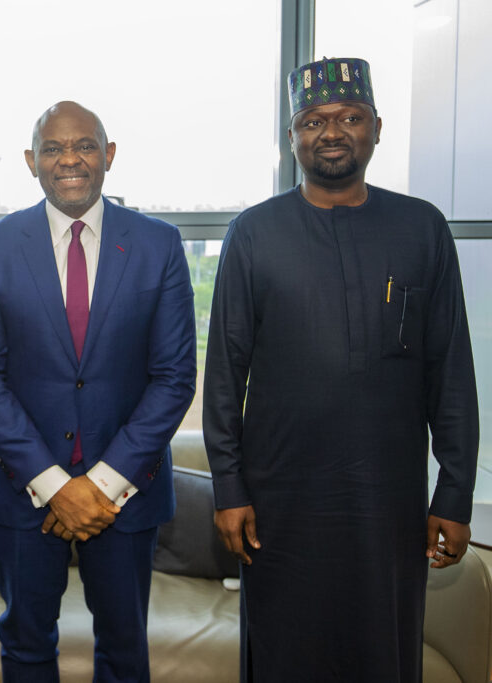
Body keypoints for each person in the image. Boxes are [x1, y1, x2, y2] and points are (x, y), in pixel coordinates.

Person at [203, 57, 479, 681]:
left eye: (350, 118)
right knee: (284, 653)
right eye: (313, 121)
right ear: (292, 138)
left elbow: (451, 374)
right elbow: (224, 376)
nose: (331, 132)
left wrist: (455, 492)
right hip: (280, 504)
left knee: (383, 651)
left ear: (377, 128)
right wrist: (229, 488)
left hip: (388, 502)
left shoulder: (423, 229)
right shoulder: (253, 234)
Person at [0, 101, 197, 683]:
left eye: (85, 145)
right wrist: (53, 485)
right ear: (31, 161)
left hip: (127, 491)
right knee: (25, 646)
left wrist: (101, 485)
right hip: (22, 490)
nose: (70, 159)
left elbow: (174, 376)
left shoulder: (159, 244)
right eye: (53, 149)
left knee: (124, 650)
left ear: (108, 155)